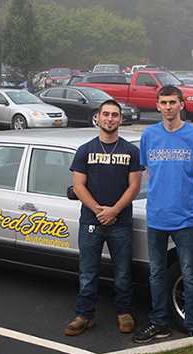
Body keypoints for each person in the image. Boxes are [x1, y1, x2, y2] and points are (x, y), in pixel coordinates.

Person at [132, 85, 193, 343]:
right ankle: (159, 322)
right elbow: (149, 172)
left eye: (173, 102)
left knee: (189, 272)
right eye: (164, 102)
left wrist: (191, 205)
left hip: (184, 219)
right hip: (156, 216)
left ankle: (192, 324)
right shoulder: (149, 135)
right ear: (157, 106)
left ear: (182, 104)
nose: (168, 107)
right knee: (156, 273)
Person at [65, 100, 144, 336]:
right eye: (106, 114)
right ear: (98, 118)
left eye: (115, 115)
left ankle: (124, 312)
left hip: (121, 223)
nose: (110, 119)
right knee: (88, 272)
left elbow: (134, 187)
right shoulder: (85, 150)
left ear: (121, 119)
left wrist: (114, 211)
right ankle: (85, 315)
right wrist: (100, 211)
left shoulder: (131, 151)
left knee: (122, 271)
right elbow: (78, 187)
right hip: (91, 222)